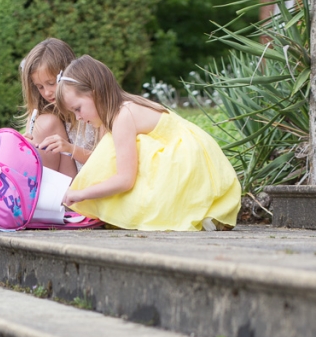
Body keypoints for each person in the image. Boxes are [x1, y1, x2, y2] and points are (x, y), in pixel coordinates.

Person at [40, 55, 241, 231]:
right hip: (191, 155)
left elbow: (125, 179)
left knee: (116, 152)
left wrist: (81, 194)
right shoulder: (119, 112)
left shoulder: (123, 115)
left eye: (78, 109)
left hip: (188, 161)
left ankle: (195, 208)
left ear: (94, 93)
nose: (79, 117)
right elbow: (102, 162)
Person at [18, 38, 97, 178]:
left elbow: (107, 159)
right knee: (43, 124)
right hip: (64, 184)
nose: (47, 92)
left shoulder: (91, 107)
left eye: (51, 83)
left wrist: (69, 148)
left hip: (92, 177)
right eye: (40, 87)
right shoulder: (45, 116)